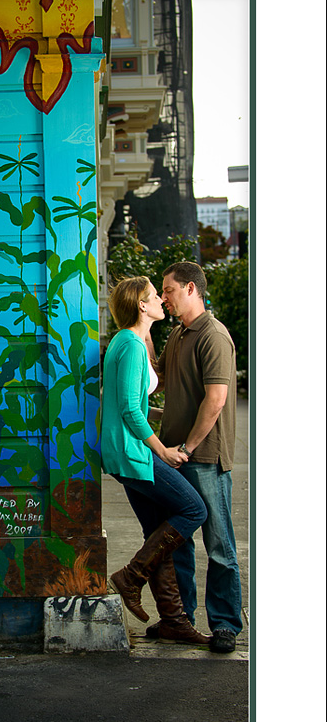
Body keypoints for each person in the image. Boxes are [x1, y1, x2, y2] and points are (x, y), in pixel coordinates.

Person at [101, 276, 211, 645]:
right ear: (141, 306)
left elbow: (131, 402)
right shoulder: (131, 345)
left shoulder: (126, 341)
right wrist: (161, 450)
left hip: (124, 450)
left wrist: (167, 410)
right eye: (154, 297)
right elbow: (130, 409)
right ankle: (131, 576)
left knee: (158, 533)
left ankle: (173, 621)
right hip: (135, 453)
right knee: (194, 510)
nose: (162, 301)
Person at [148, 261, 243, 654]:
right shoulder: (177, 333)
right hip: (176, 457)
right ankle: (181, 620)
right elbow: (160, 379)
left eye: (168, 290)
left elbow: (217, 398)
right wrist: (144, 334)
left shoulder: (213, 336)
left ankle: (224, 624)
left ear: (190, 288)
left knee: (218, 544)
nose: (165, 297)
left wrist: (186, 448)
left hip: (202, 456)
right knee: (179, 542)